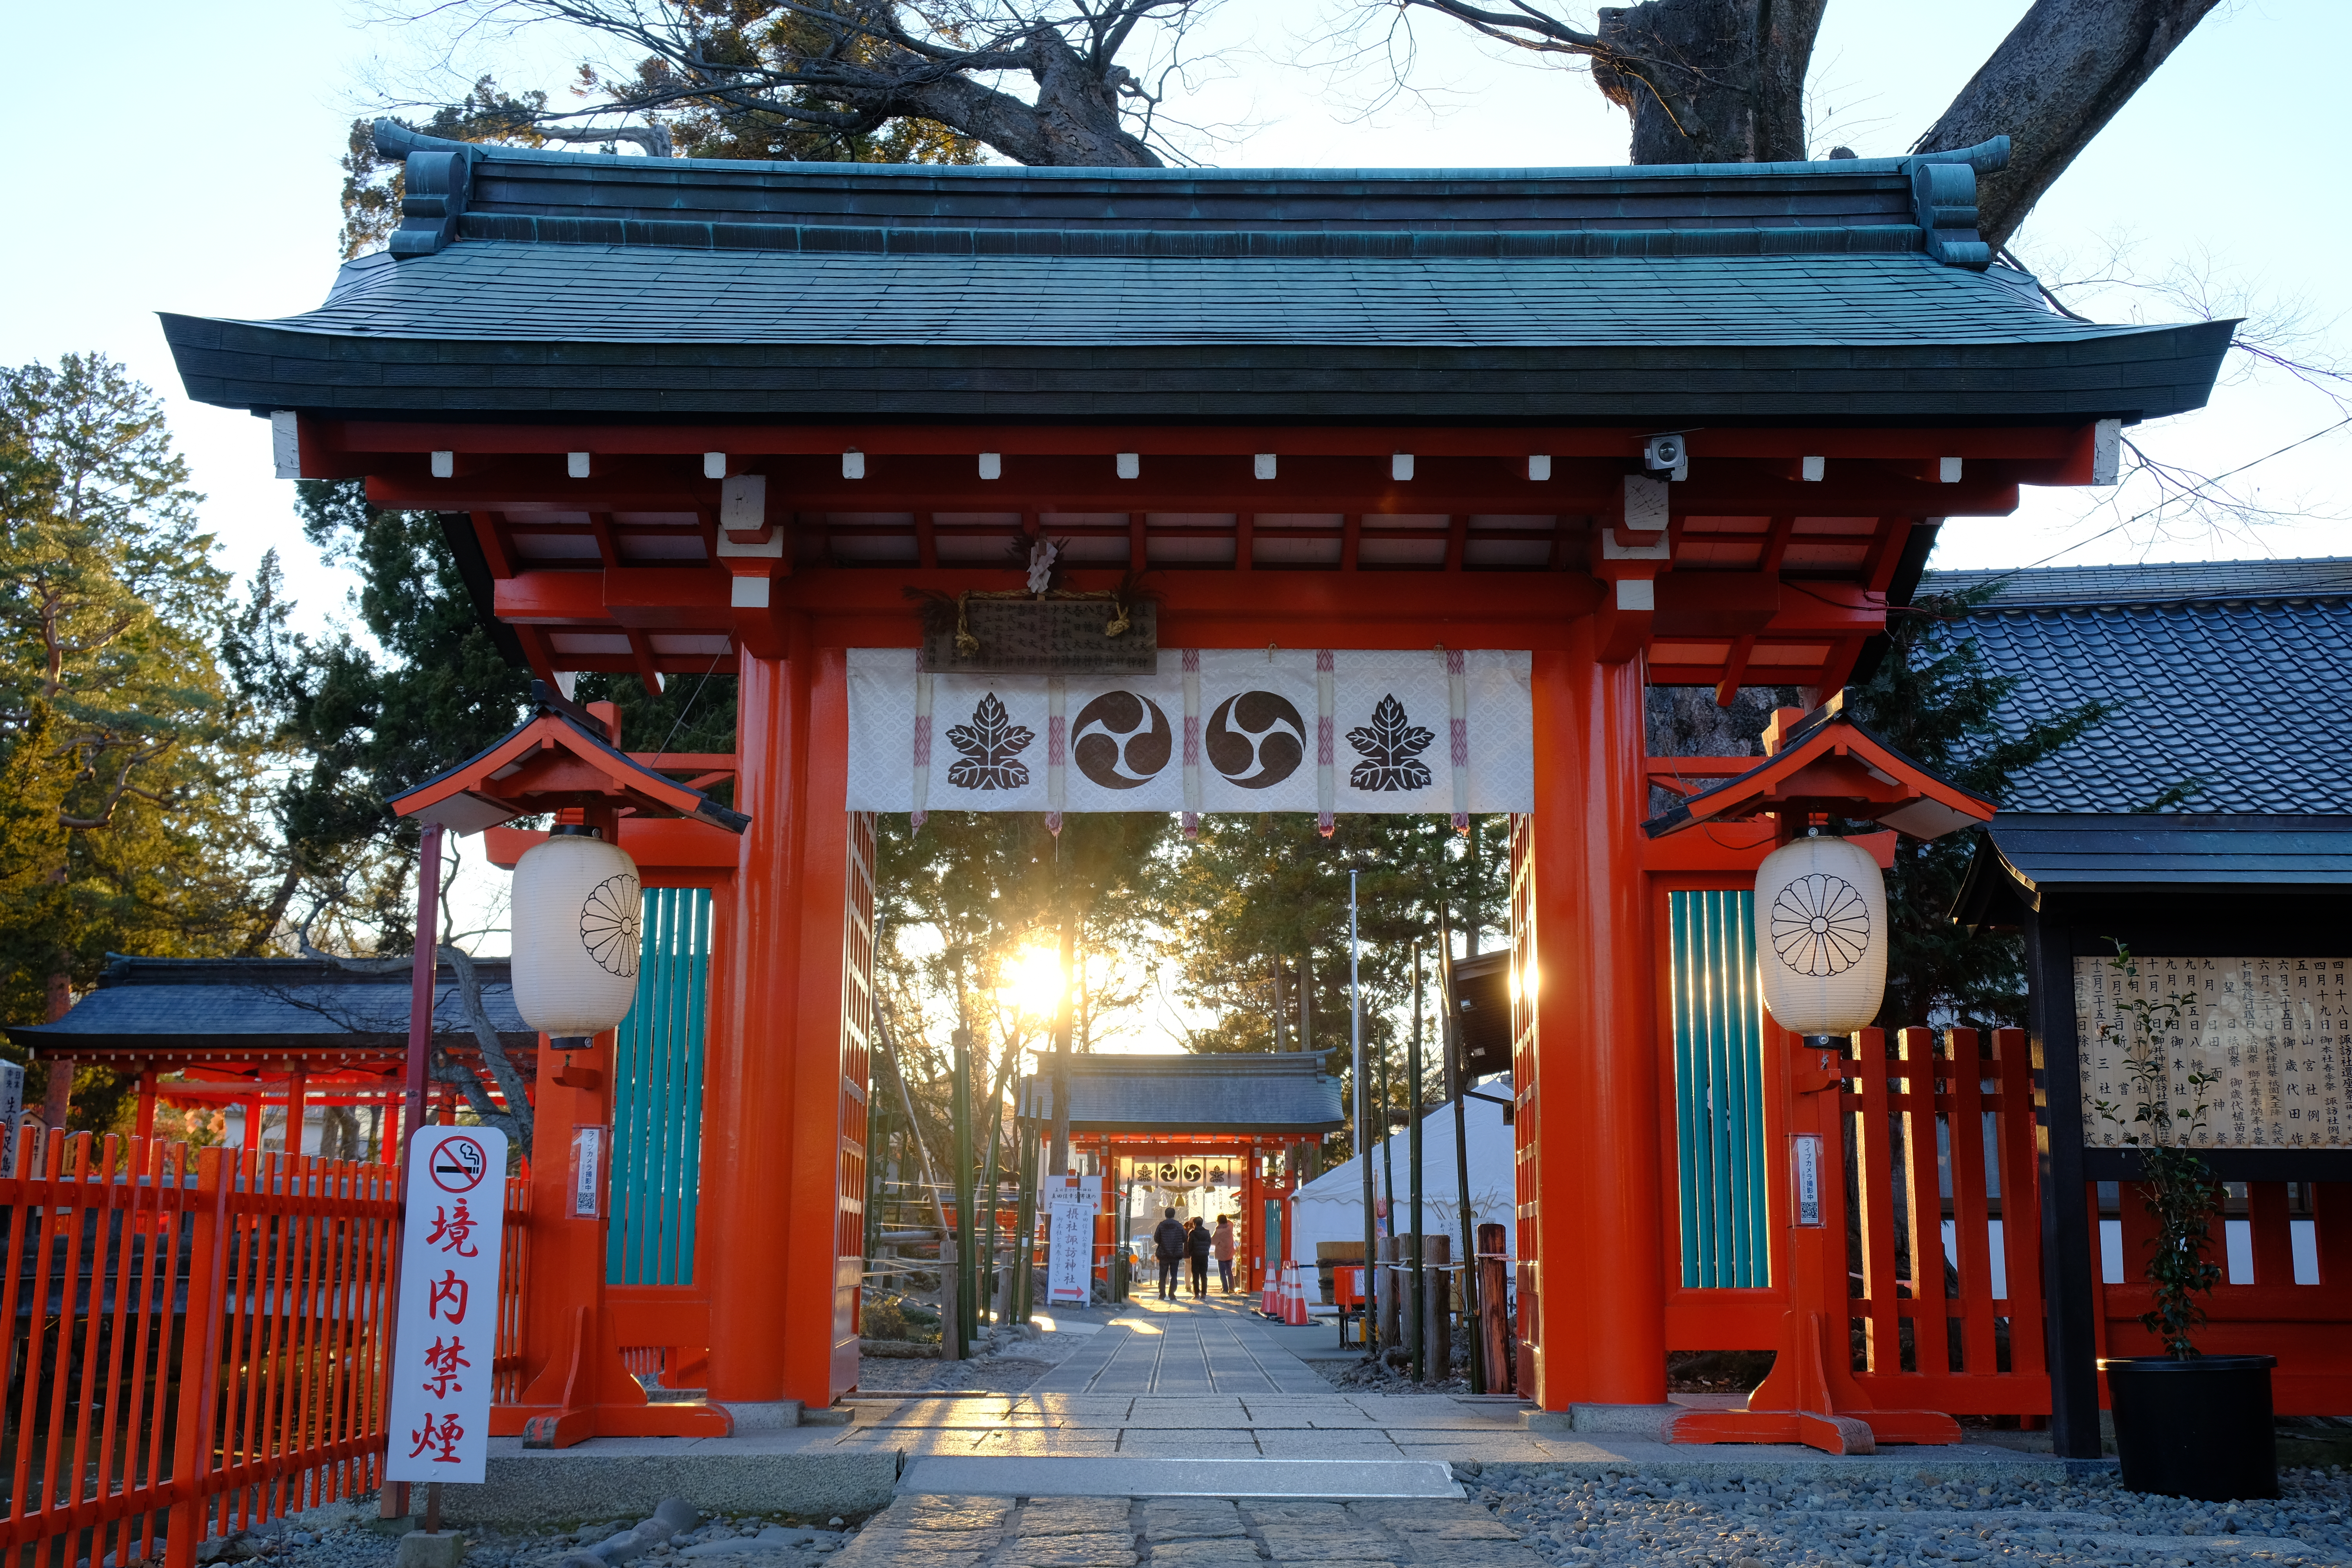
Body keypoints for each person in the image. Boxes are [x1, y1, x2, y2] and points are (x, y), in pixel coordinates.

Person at [1151, 1207, 1187, 1301]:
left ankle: (1162, 1294)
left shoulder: (1161, 1226)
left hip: (1163, 1254)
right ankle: (1172, 1294)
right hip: (1176, 1254)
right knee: (1174, 1275)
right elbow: (1184, 1238)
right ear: (1174, 1215)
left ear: (1166, 1215)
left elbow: (1156, 1239)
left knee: (1162, 1275)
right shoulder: (1179, 1226)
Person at [1185, 1214, 1213, 1299]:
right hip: (1204, 1256)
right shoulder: (1207, 1232)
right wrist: (1205, 1251)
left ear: (1195, 1224)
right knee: (1204, 1275)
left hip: (1195, 1256)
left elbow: (1189, 1245)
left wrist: (1191, 1254)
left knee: (1196, 1275)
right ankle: (1204, 1294)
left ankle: (1196, 1294)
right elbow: (1209, 1243)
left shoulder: (1193, 1233)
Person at [1212, 1214, 1237, 1294]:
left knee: (1222, 1273)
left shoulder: (1218, 1232)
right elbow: (1230, 1222)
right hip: (1230, 1253)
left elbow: (1213, 1242)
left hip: (1221, 1255)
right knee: (1229, 1272)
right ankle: (1232, 1288)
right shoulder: (1230, 1227)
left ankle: (1225, 1289)